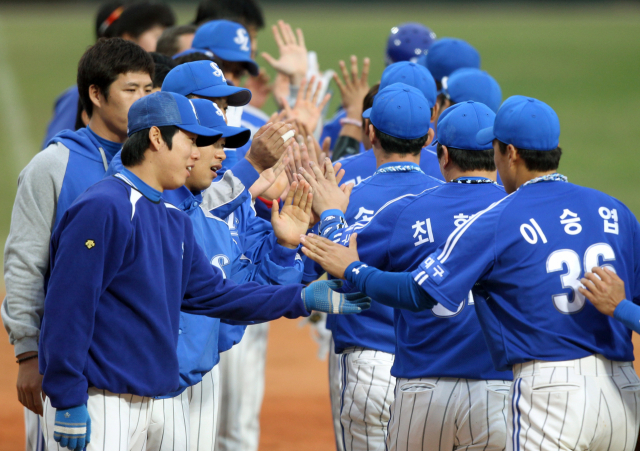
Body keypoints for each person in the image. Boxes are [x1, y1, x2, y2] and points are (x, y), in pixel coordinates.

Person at [302, 96, 640, 451]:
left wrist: (354, 267)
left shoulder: (500, 216)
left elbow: (418, 292)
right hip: (622, 389)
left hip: (547, 390)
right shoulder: (614, 210)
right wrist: (621, 308)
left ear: (509, 152)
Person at [40, 91, 370, 451]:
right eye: (192, 141)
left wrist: (304, 297)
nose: (198, 154)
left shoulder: (172, 219)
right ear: (155, 138)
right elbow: (68, 306)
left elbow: (214, 294)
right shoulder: (104, 206)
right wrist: (68, 396)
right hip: (99, 400)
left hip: (148, 402)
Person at [316, 101, 513, 451]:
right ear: (498, 154)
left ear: (443, 155)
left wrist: (331, 213)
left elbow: (340, 259)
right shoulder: (518, 214)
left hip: (424, 390)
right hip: (499, 391)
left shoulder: (410, 210)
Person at [2, 37, 154, 451]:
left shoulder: (156, 161)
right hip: (70, 367)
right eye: (131, 90)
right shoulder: (54, 165)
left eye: (149, 90)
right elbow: (24, 262)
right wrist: (28, 354)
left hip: (141, 364)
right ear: (95, 94)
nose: (142, 101)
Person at [299, 82, 442, 451]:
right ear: (429, 136)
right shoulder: (447, 200)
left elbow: (304, 275)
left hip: (368, 364)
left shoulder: (342, 195)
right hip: (434, 365)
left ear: (370, 131)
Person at [42, 1, 175, 145]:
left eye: (147, 89)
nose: (142, 97)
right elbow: (55, 148)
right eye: (130, 90)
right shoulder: (77, 96)